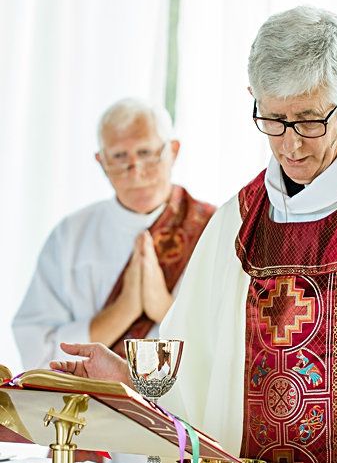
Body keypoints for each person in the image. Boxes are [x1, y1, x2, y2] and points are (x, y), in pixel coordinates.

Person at [50, 7, 337, 463]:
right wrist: (129, 381)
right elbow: (195, 386)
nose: (290, 144)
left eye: (309, 120)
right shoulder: (238, 220)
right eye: (273, 118)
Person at [13, 99, 215, 369]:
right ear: (101, 162)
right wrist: (122, 311)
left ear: (173, 151)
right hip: (86, 406)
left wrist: (164, 309)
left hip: (178, 410)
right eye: (120, 156)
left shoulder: (214, 228)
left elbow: (229, 351)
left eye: (145, 152)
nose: (135, 170)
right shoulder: (70, 235)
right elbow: (38, 355)